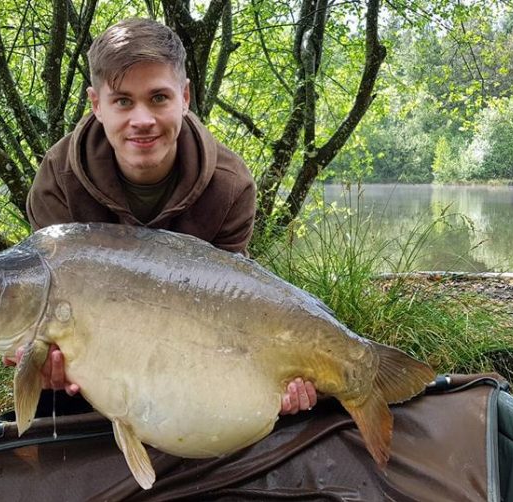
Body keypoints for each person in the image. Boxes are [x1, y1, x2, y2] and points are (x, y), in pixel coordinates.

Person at [16, 18, 316, 415]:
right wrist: (41, 360)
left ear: (185, 96)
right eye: (123, 101)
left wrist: (267, 380)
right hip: (92, 361)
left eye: (158, 98)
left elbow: (235, 310)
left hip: (193, 356)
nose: (142, 119)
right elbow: (52, 305)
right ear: (96, 105)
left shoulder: (230, 185)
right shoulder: (58, 178)